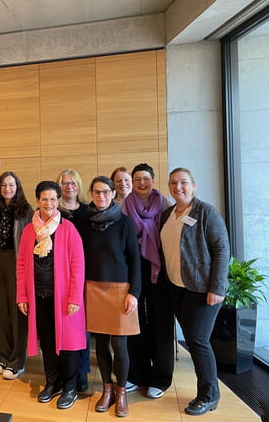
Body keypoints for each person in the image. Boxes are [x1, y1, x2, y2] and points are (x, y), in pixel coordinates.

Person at [160, 168, 229, 416]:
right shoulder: (167, 214)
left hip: (202, 290)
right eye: (173, 183)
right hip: (176, 287)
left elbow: (222, 249)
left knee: (198, 341)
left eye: (184, 183)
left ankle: (209, 396)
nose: (178, 187)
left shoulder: (206, 212)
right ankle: (208, 392)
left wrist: (217, 288)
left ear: (194, 185)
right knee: (192, 339)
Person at [16, 181, 86, 410]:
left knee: (67, 344)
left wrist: (75, 297)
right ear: (37, 201)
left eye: (53, 199)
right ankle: (52, 382)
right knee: (47, 342)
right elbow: (22, 265)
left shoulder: (68, 229)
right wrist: (22, 296)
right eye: (44, 199)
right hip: (39, 296)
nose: (49, 203)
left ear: (59, 201)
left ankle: (70, 387)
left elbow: (78, 265)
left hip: (65, 299)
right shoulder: (29, 231)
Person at [78, 176, 141, 417]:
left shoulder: (124, 222)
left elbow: (135, 260)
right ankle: (107, 389)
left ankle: (122, 391)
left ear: (113, 194)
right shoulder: (84, 222)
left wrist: (134, 292)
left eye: (105, 192)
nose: (101, 196)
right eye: (96, 192)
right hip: (93, 288)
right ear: (91, 194)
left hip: (120, 290)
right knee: (101, 344)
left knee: (119, 344)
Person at [122, 163, 174, 399]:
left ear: (153, 180)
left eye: (146, 178)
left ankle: (160, 379)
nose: (141, 183)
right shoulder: (125, 205)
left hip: (160, 268)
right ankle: (137, 375)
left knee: (160, 321)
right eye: (137, 179)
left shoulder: (165, 204)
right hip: (134, 267)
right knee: (135, 320)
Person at [0, 171, 32, 380]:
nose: (7, 189)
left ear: (18, 187)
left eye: (11, 185)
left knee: (17, 313)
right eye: (3, 185)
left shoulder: (26, 211)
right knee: (0, 312)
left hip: (17, 263)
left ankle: (16, 361)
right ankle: (2, 357)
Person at [56, 168, 91, 391]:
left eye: (73, 183)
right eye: (65, 183)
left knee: (82, 327)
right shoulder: (53, 212)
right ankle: (64, 372)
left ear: (78, 185)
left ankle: (82, 371)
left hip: (84, 275)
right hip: (59, 278)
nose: (69, 187)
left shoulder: (89, 211)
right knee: (62, 325)